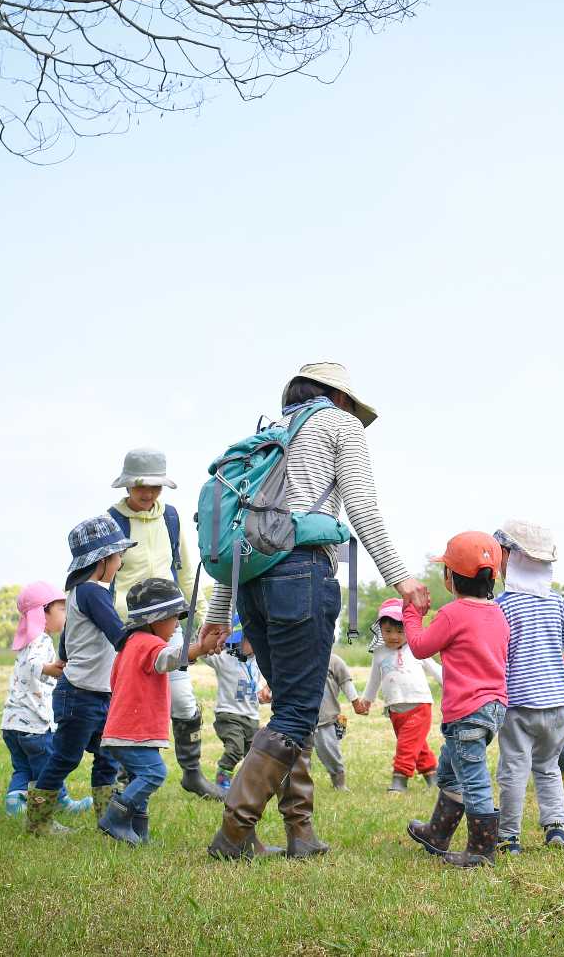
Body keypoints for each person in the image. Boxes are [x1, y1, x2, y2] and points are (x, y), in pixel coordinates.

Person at [198, 362, 431, 861]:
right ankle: (233, 834)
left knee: (290, 706)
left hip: (252, 584)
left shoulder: (269, 435)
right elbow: (363, 509)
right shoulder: (340, 424)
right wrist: (401, 578)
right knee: (298, 710)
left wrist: (219, 611)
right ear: (340, 398)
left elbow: (240, 532)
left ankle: (300, 832)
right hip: (302, 576)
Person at [106, 448, 221, 800]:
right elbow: (103, 581)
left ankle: (192, 773)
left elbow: (185, 572)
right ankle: (125, 779)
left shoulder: (170, 518)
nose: (149, 493)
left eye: (156, 486)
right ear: (128, 484)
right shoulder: (112, 523)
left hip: (170, 624)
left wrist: (203, 617)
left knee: (183, 702)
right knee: (131, 706)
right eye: (142, 485)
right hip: (127, 631)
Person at [491, 519, 564, 854]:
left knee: (514, 769)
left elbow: (495, 656)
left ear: (513, 559)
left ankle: (509, 836)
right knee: (548, 766)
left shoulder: (502, 606)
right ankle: (556, 826)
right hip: (557, 703)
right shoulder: (558, 603)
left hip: (518, 704)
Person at [404, 531, 510, 869]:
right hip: (493, 708)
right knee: (450, 771)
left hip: (466, 712)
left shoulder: (453, 614)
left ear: (449, 576)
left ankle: (481, 850)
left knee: (474, 779)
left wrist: (412, 614)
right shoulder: (498, 613)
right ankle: (437, 834)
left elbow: (420, 647)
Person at [28, 516, 135, 836]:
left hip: (98, 693)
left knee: (107, 757)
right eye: (118, 557)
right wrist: (148, 640)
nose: (120, 563)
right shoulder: (92, 593)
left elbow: (69, 638)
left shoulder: (78, 593)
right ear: (103, 561)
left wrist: (63, 658)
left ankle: (107, 821)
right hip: (80, 695)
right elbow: (119, 635)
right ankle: (38, 823)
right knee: (65, 757)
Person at [96, 578, 201, 845]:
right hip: (133, 733)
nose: (177, 625)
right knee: (154, 774)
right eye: (174, 618)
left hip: (124, 732)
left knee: (137, 777)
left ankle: (138, 833)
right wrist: (198, 648)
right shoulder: (148, 644)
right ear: (155, 619)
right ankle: (114, 819)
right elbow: (168, 659)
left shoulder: (131, 645)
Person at [0, 581, 90, 822]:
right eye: (61, 609)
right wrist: (51, 669)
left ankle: (14, 802)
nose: (66, 615)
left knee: (23, 768)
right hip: (35, 724)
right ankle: (60, 802)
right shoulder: (41, 640)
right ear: (43, 613)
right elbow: (34, 665)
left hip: (12, 724)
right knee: (48, 766)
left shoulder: (26, 642)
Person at [354, 599, 443, 793]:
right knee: (416, 746)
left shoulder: (416, 649)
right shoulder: (379, 653)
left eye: (400, 631)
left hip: (419, 705)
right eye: (388, 631)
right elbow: (374, 679)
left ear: (408, 630)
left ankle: (399, 780)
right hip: (395, 709)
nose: (393, 636)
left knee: (406, 745)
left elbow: (436, 670)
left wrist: (455, 684)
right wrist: (366, 701)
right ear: (380, 630)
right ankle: (434, 778)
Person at [204, 618, 265, 792]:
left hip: (251, 718)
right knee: (235, 749)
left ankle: (250, 783)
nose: (254, 643)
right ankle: (222, 781)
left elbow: (258, 686)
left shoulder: (257, 663)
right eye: (250, 639)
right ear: (238, 639)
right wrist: (207, 634)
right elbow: (203, 653)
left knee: (256, 753)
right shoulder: (225, 659)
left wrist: (263, 694)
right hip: (229, 715)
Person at [309, 654, 358, 791]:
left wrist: (355, 702)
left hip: (326, 717)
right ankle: (297, 781)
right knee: (296, 753)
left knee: (329, 750)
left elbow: (345, 682)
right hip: (300, 717)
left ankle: (339, 781)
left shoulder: (334, 661)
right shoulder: (297, 657)